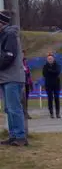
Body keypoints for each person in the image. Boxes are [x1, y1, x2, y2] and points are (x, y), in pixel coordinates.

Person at [0, 10, 27, 146]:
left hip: (12, 77)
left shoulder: (9, 35)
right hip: (5, 77)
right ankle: (13, 135)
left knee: (14, 107)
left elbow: (8, 56)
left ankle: (20, 136)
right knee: (8, 108)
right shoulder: (3, 35)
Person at [42, 52, 62, 119]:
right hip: (48, 85)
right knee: (50, 99)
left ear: (53, 59)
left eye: (51, 58)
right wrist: (51, 72)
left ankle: (57, 113)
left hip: (56, 84)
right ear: (47, 60)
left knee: (57, 98)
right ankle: (51, 113)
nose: (50, 60)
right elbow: (44, 74)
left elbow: (57, 72)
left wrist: (50, 71)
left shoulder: (57, 65)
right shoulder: (45, 66)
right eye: (49, 59)